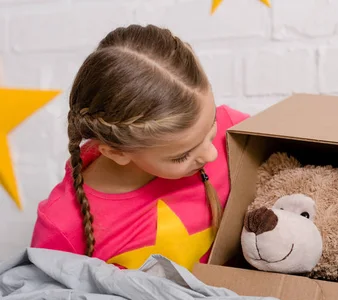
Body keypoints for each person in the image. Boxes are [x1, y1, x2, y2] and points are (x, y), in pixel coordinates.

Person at [30, 24, 249, 271]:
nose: (212, 153)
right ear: (116, 152)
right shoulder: (63, 225)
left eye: (212, 127)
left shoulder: (237, 133)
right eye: (182, 156)